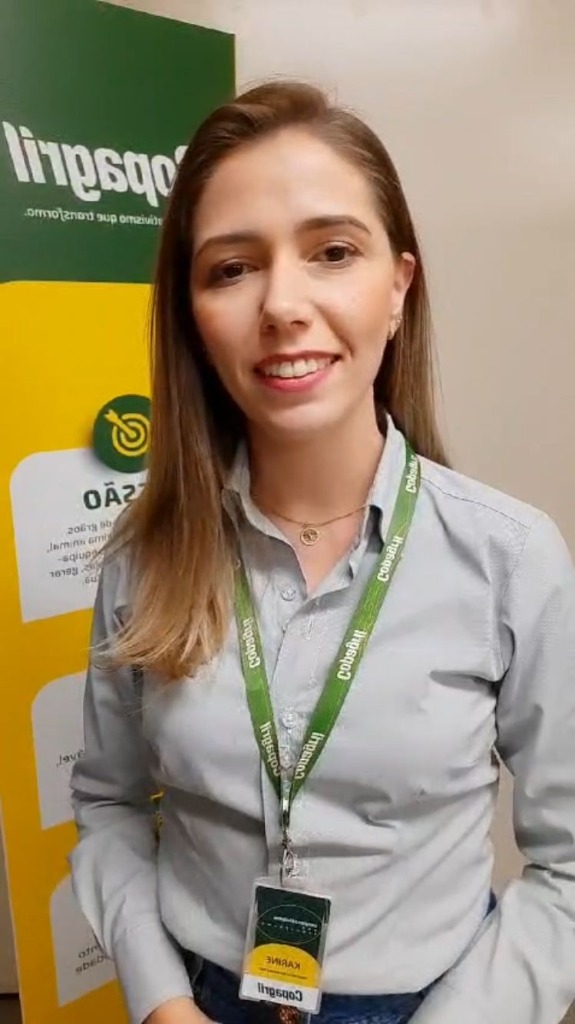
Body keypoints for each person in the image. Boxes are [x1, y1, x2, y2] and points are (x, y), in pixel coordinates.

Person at [70, 81, 575, 1024]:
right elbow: (106, 804)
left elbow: (570, 864)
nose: (282, 305)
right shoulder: (145, 554)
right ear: (191, 315)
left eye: (332, 252)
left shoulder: (511, 558)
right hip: (201, 998)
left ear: (398, 286)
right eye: (231, 269)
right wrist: (161, 1003)